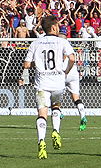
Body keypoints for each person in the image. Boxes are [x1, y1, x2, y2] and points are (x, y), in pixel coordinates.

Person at [20, 15, 75, 159]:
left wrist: (36, 64)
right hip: (58, 83)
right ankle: (56, 131)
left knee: (42, 114)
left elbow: (26, 64)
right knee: (56, 107)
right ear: (53, 27)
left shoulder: (36, 43)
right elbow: (72, 58)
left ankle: (41, 141)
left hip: (42, 84)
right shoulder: (62, 41)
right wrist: (66, 71)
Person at [62, 35, 88, 131]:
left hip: (64, 72)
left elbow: (64, 58)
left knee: (54, 95)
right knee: (76, 97)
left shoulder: (60, 46)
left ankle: (58, 112)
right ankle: (83, 115)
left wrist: (66, 71)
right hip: (74, 74)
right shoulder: (70, 47)